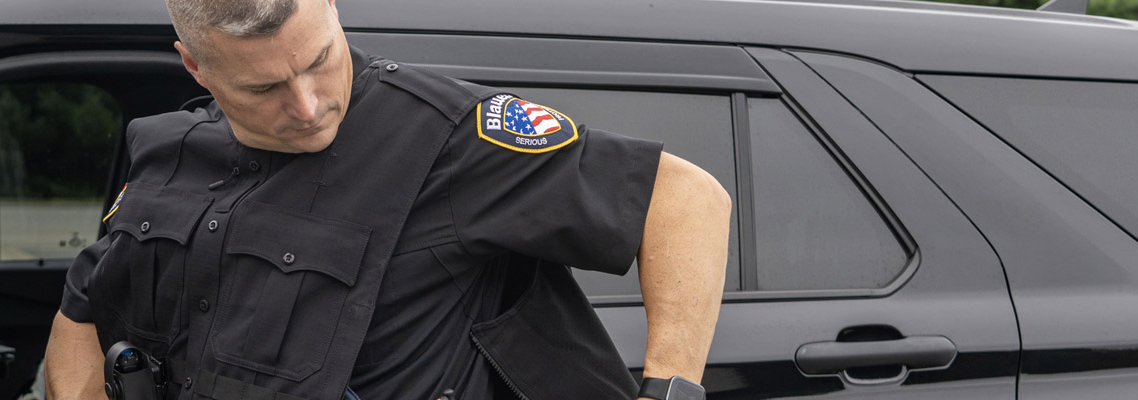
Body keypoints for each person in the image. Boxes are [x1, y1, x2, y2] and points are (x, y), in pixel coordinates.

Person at [43, 0, 731, 398]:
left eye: (319, 60)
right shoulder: (166, 149)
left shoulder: (447, 137)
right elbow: (85, 307)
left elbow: (686, 199)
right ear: (194, 65)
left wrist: (670, 390)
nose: (308, 106)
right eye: (264, 90)